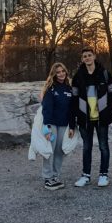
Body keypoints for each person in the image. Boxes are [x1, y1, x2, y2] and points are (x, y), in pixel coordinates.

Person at [71, 47, 112, 188]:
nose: (87, 58)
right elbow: (74, 98)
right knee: (86, 147)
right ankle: (86, 176)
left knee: (103, 146)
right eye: (84, 56)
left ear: (94, 56)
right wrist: (78, 115)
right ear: (82, 59)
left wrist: (109, 111)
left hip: (101, 117)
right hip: (85, 119)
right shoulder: (78, 76)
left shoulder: (105, 74)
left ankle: (103, 175)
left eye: (89, 55)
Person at [40, 62, 75, 190]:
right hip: (52, 124)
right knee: (50, 150)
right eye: (58, 72)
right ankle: (47, 178)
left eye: (63, 71)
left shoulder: (69, 88)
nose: (61, 74)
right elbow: (47, 109)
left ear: (66, 72)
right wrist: (47, 127)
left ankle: (55, 175)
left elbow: (72, 109)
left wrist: (72, 126)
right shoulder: (51, 88)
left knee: (59, 150)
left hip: (64, 125)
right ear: (54, 75)